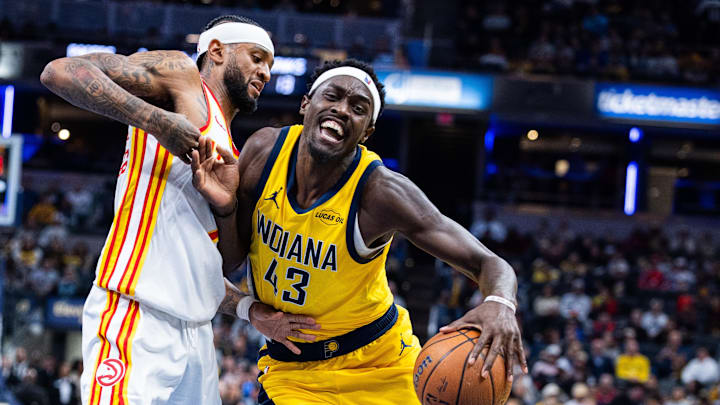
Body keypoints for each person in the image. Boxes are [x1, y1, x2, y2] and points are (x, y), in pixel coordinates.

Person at [191, 58, 527, 404]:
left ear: (366, 132)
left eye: (358, 107)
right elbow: (231, 260)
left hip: (381, 364)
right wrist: (227, 209)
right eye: (332, 97)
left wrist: (501, 303)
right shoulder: (264, 152)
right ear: (306, 104)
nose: (342, 110)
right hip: (296, 371)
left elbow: (488, 263)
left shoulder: (382, 192)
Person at [40, 14, 276, 404]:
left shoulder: (231, 153)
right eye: (256, 57)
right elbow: (60, 72)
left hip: (197, 334)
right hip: (135, 315)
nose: (265, 72)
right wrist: (156, 121)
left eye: (269, 64)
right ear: (216, 51)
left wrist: (229, 208)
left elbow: (212, 266)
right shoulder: (181, 78)